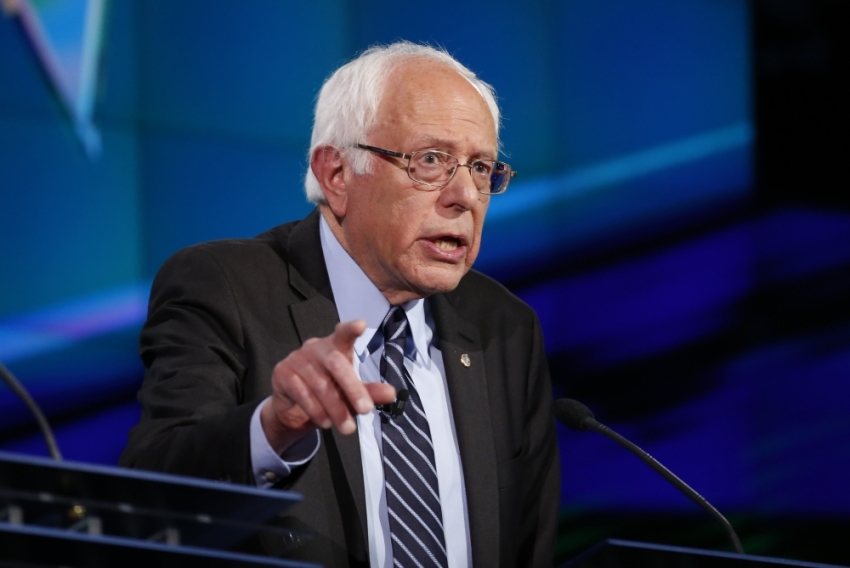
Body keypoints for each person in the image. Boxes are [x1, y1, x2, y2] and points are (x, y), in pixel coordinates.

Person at [121, 41, 559, 567]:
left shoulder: (504, 327)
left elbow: (530, 544)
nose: (465, 195)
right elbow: (147, 497)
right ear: (337, 175)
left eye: (482, 167)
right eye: (431, 160)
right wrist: (273, 427)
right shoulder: (224, 287)